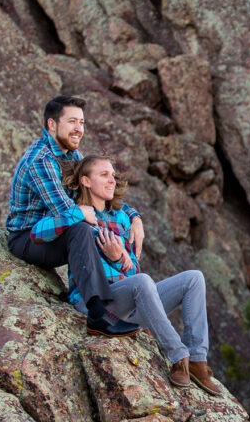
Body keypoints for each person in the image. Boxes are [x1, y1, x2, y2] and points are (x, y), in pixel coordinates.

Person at [59, 155, 224, 397]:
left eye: (113, 175)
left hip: (129, 302)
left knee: (194, 278)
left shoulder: (122, 217)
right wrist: (117, 261)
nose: (111, 180)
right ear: (85, 181)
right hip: (94, 305)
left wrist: (124, 247)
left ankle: (198, 361)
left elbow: (132, 270)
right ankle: (179, 357)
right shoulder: (77, 215)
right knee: (143, 281)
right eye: (104, 175)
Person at [6, 96, 145, 337]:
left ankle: (114, 304)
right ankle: (98, 313)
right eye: (72, 121)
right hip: (29, 238)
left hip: (58, 230)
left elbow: (98, 194)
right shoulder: (41, 160)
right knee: (81, 230)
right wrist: (117, 249)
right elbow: (66, 213)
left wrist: (134, 217)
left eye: (81, 122)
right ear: (52, 124)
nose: (78, 128)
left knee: (88, 230)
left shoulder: (73, 156)